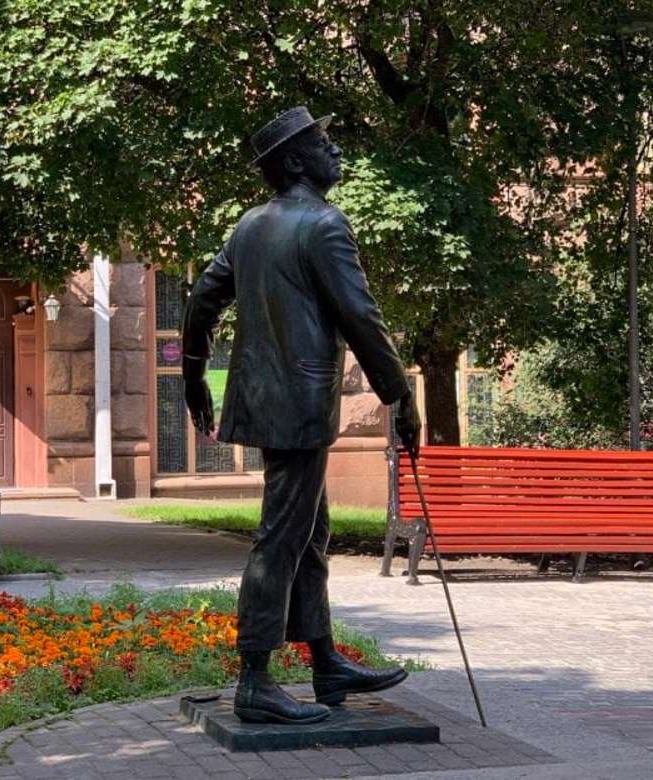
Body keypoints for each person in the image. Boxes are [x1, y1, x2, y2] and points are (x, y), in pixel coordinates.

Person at [181, 106, 423, 724]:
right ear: (294, 161)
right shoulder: (322, 225)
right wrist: (399, 395)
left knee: (311, 535)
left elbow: (202, 300)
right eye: (321, 142)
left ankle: (323, 662)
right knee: (281, 539)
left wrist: (192, 373)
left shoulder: (249, 227)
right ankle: (256, 679)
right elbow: (360, 319)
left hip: (264, 401)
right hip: (297, 406)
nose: (333, 149)